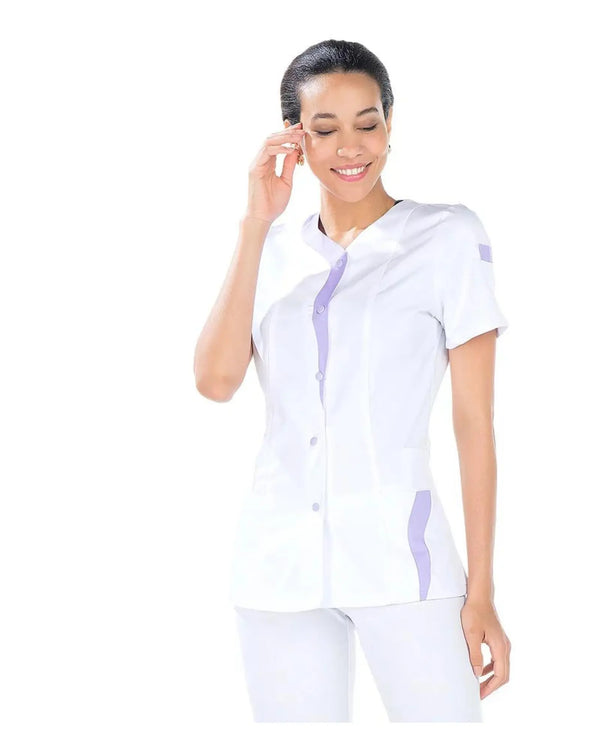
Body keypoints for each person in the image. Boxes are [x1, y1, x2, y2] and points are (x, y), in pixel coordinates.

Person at [194, 39, 511, 722]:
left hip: (404, 565)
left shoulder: (446, 237)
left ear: (390, 125)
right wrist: (255, 222)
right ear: (294, 138)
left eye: (367, 123)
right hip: (278, 569)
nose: (350, 147)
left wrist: (481, 590)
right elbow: (216, 381)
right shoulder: (271, 250)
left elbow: (473, 423)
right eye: (325, 129)